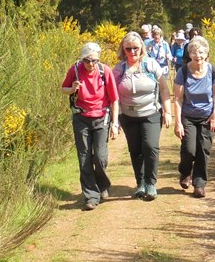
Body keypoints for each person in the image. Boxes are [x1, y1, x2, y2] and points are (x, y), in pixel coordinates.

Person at [114, 31, 173, 200]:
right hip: (128, 116)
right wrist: (114, 119)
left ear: (142, 48)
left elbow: (163, 88)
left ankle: (151, 183)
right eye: (129, 49)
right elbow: (110, 93)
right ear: (123, 50)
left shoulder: (151, 65)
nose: (133, 51)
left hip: (151, 113)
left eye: (136, 48)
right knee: (135, 149)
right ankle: (140, 184)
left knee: (150, 146)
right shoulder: (119, 69)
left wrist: (167, 112)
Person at [61, 42, 120, 211]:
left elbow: (114, 99)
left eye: (94, 60)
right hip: (81, 117)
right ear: (82, 59)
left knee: (100, 157)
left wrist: (115, 124)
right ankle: (91, 196)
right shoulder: (75, 70)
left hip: (101, 117)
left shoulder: (104, 71)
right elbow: (63, 89)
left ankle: (103, 186)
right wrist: (72, 89)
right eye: (87, 61)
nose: (91, 64)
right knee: (84, 157)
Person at [173, 36, 215, 198]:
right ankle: (185, 172)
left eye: (201, 52)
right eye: (194, 52)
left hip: (207, 116)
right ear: (190, 54)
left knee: (203, 150)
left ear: (206, 54)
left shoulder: (213, 71)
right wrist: (177, 122)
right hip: (188, 116)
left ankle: (199, 184)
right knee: (189, 149)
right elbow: (178, 99)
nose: (198, 55)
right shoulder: (183, 71)